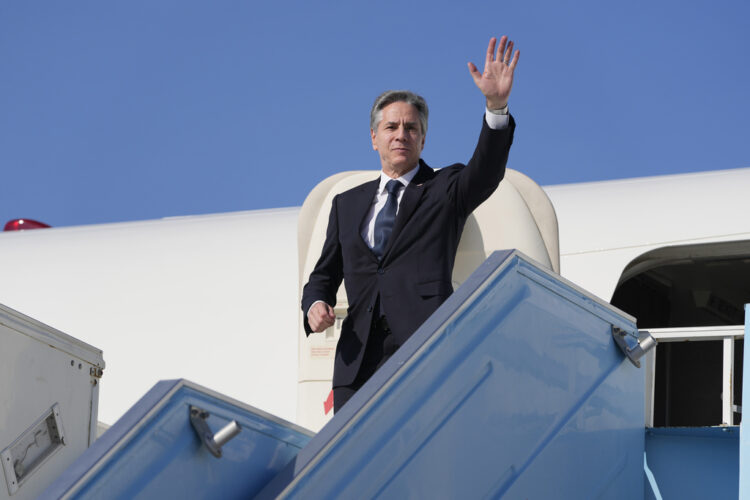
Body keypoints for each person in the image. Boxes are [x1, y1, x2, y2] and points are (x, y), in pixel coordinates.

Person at [302, 36, 519, 413]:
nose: (401, 134)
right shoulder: (346, 204)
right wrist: (315, 303)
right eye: (391, 127)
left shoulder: (444, 189)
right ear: (374, 138)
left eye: (411, 128)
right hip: (357, 364)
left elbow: (485, 171)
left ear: (422, 139)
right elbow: (324, 275)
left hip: (425, 349)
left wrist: (496, 107)